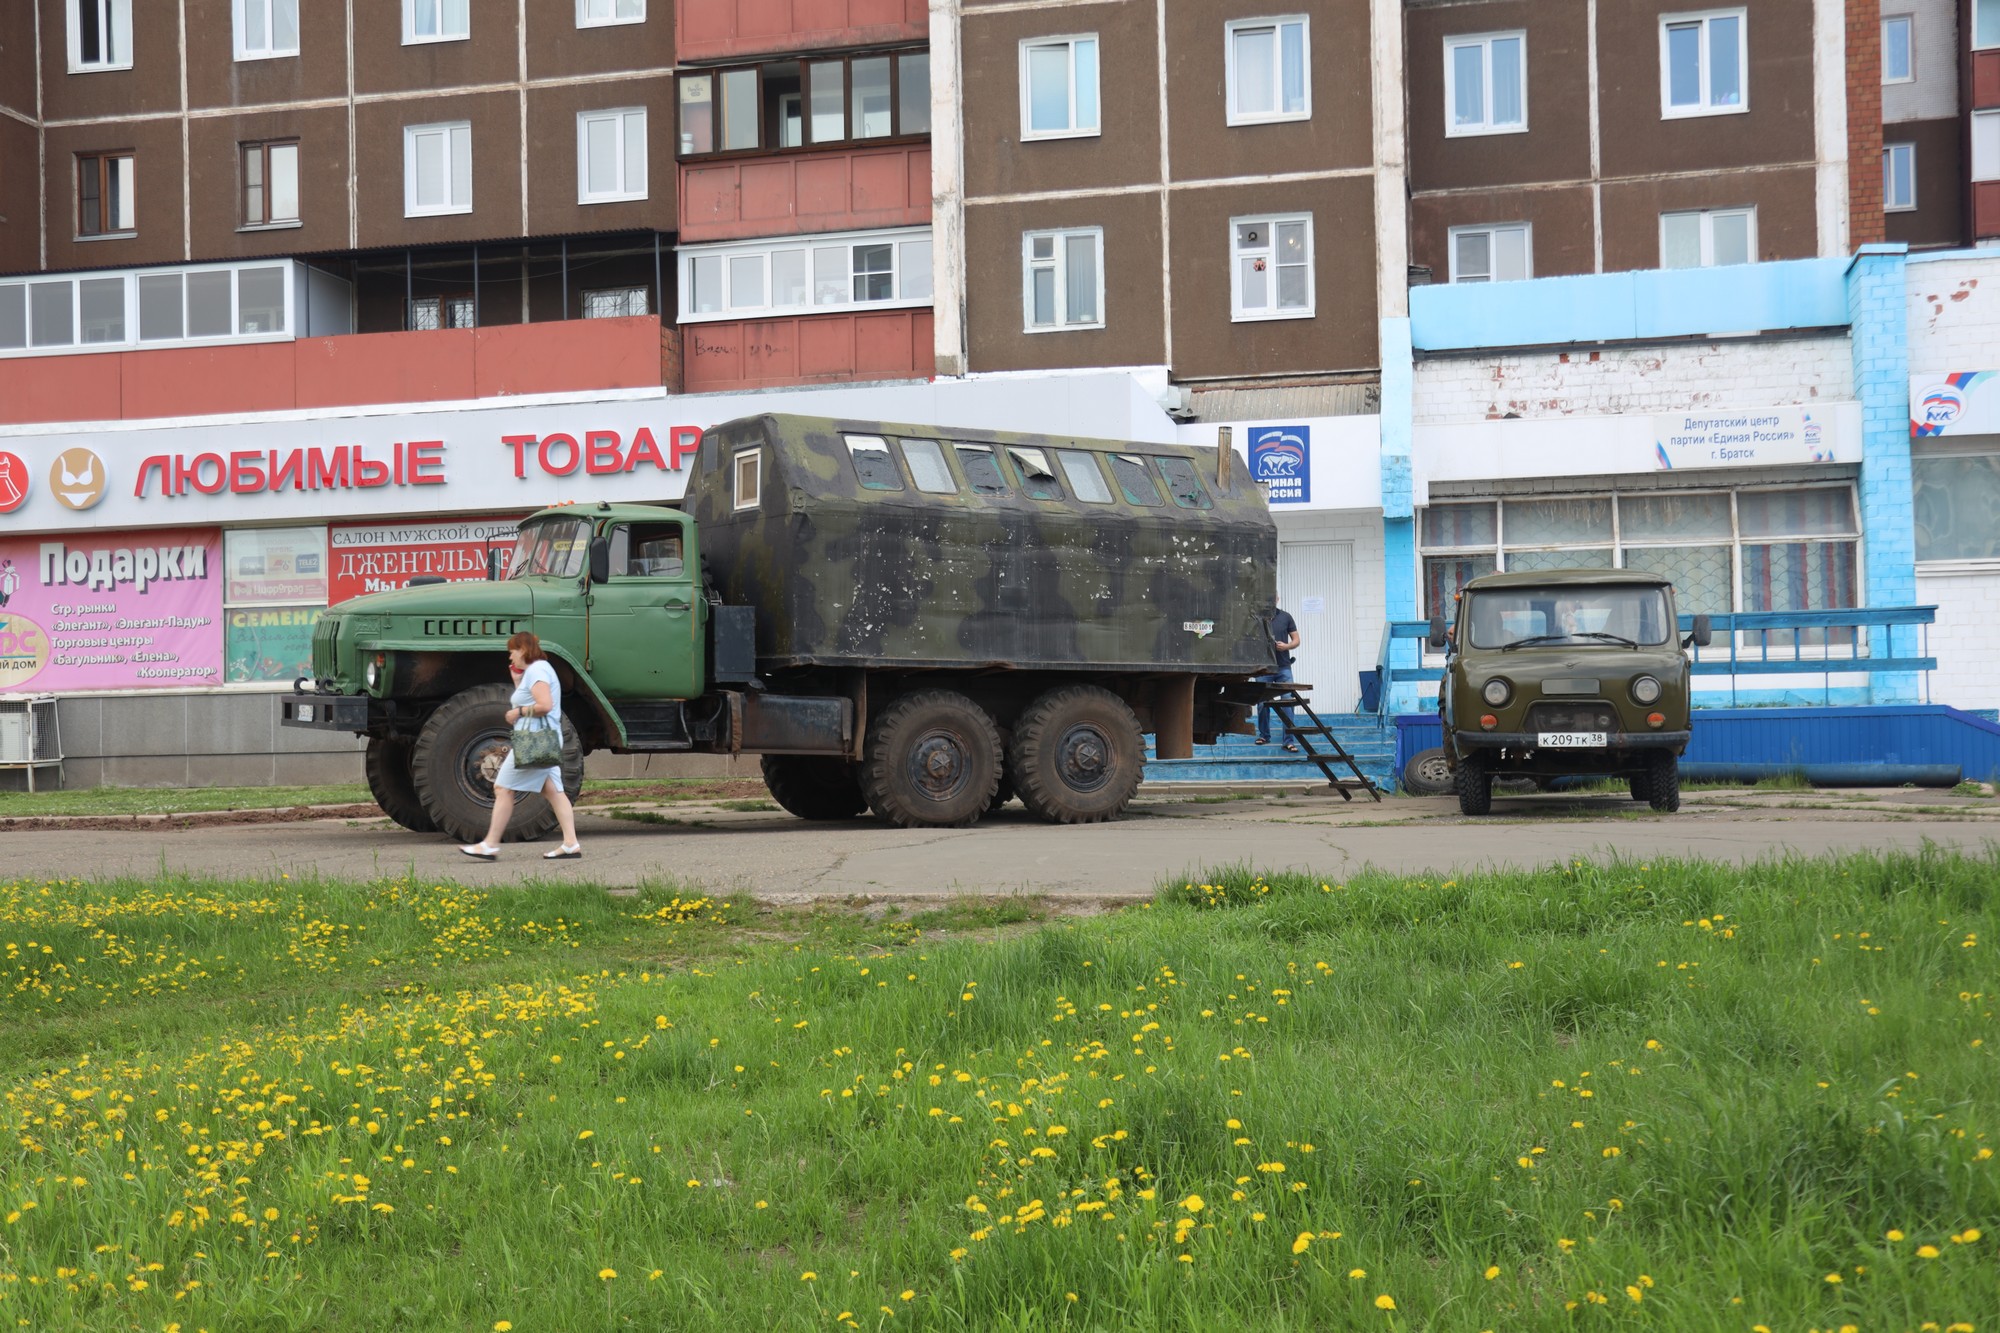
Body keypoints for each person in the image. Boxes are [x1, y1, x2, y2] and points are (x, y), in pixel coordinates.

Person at [461, 631, 582, 860]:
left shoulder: (537, 670)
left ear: (523, 650)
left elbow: (544, 705)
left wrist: (518, 712)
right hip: (543, 740)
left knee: (503, 788)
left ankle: (489, 844)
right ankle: (570, 843)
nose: (510, 657)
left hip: (533, 741)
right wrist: (517, 680)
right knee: (555, 792)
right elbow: (533, 698)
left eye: (512, 652)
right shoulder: (538, 670)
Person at [1253, 598, 1301, 753]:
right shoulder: (1256, 618)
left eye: (1272, 598)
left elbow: (1296, 640)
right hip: (1263, 668)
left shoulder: (1286, 617)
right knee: (1262, 704)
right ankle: (1264, 736)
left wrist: (1286, 646)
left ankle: (1289, 741)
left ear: (1277, 599)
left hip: (1283, 668)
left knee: (1288, 702)